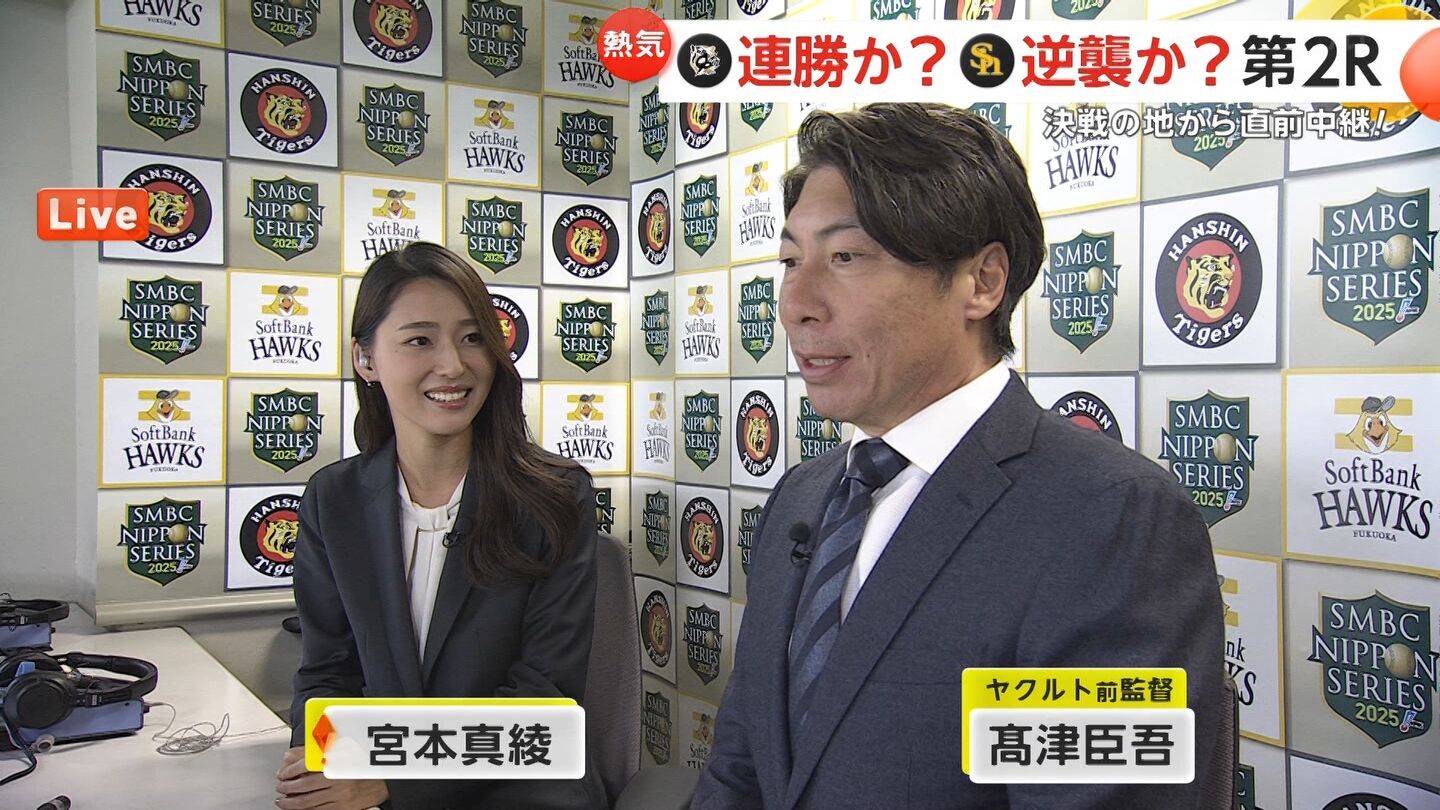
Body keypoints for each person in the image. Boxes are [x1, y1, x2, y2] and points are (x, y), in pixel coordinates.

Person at [692, 103, 1226, 809]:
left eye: (846, 257)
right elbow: (742, 764)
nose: (796, 304)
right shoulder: (802, 494)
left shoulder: (1107, 518)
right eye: (792, 260)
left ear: (982, 282)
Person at [276, 242, 606, 810]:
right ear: (366, 359)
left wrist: (395, 778)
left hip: (521, 793)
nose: (453, 364)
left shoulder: (554, 496)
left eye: (473, 337)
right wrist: (324, 761)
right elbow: (328, 673)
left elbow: (546, 700)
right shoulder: (334, 501)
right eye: (420, 341)